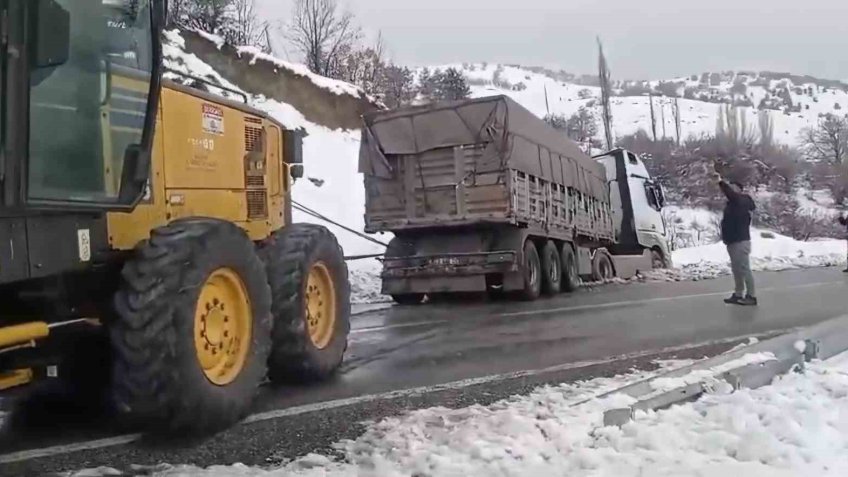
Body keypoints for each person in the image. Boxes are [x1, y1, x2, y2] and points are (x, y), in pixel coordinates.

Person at [713, 172, 757, 306]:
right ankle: (738, 294)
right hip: (732, 241)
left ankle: (751, 296)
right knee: (736, 269)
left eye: (732, 187)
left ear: (738, 189)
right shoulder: (733, 203)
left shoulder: (743, 200)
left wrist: (721, 182)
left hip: (741, 241)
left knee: (744, 268)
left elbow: (732, 195)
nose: (730, 190)